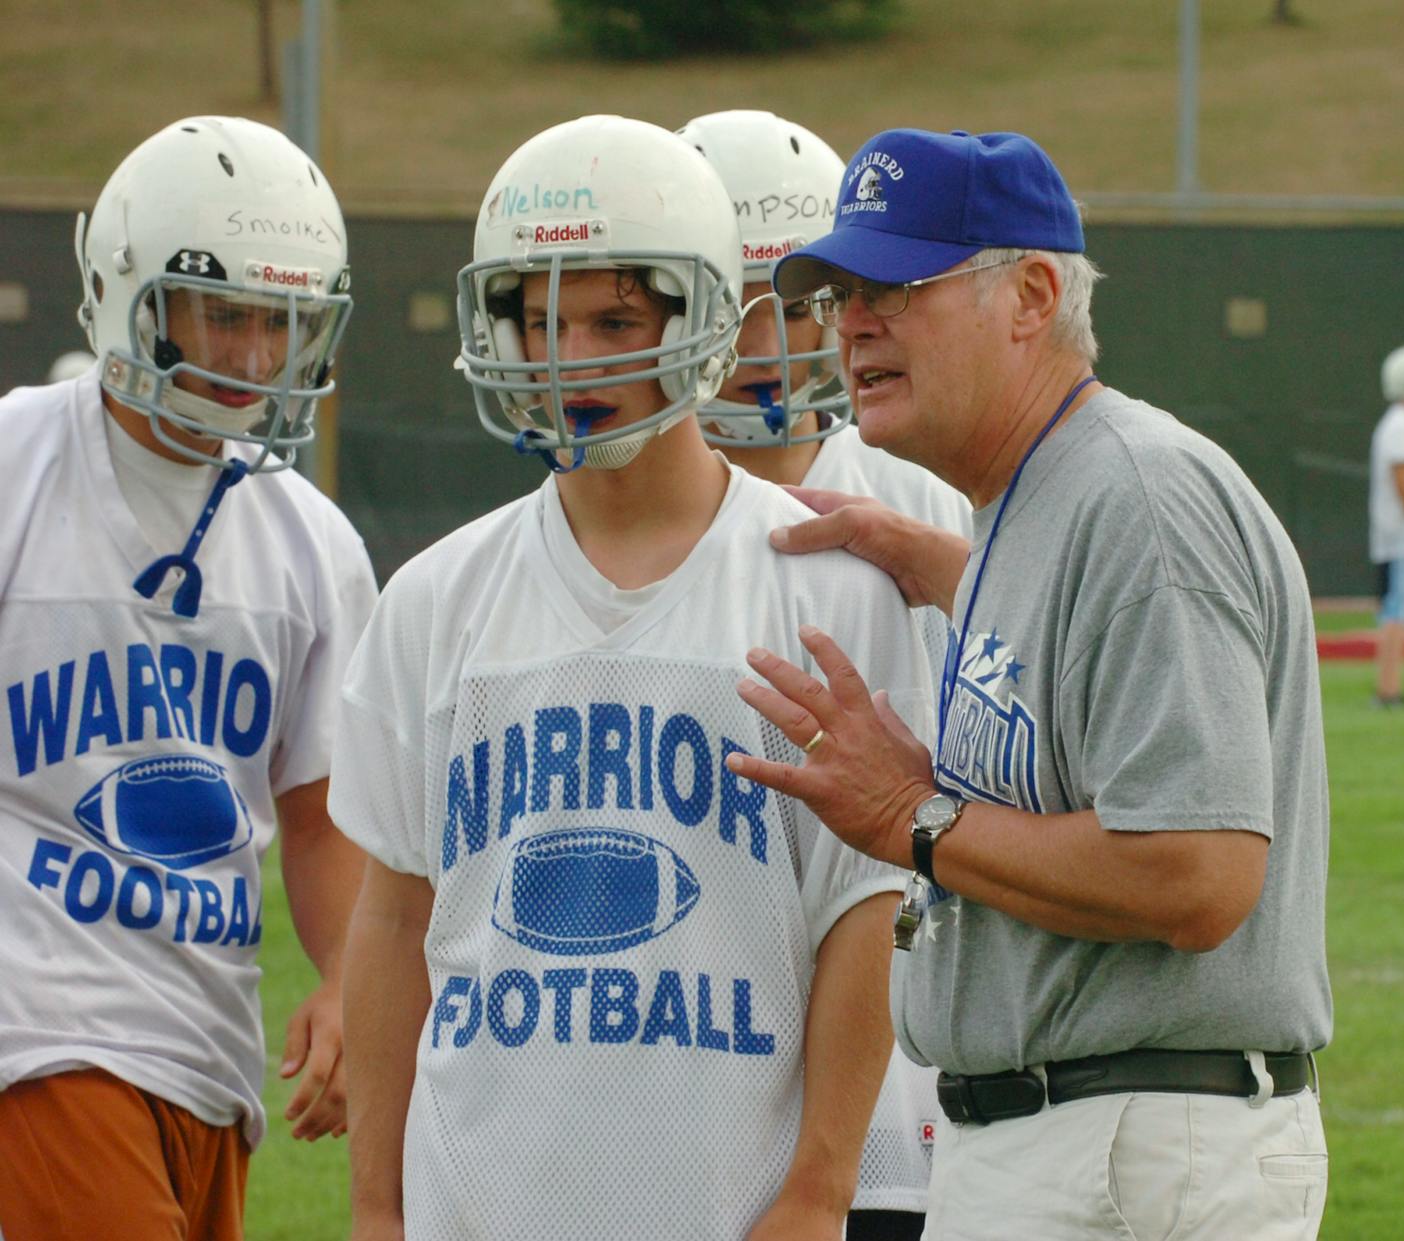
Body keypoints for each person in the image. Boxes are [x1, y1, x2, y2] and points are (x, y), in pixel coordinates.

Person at [328, 113, 934, 1241]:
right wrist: (375, 1206)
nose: (570, 356)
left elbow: (868, 908)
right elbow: (394, 912)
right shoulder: (433, 598)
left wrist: (816, 1186)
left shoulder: (826, 586)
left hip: (729, 1190)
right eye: (539, 319)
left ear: (708, 319)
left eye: (614, 317)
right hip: (480, 1191)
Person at [724, 127, 1332, 1240]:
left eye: (896, 286)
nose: (852, 321)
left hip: (1131, 1142)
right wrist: (950, 571)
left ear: (1031, 294)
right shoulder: (1042, 495)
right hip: (1079, 1132)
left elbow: (1197, 871)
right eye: (841, 293)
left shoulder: (1135, 497)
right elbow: (1079, 673)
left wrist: (910, 815)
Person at [0, 116, 377, 1241]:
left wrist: (349, 977)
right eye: (226, 312)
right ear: (130, 293)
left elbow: (318, 816)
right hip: (37, 1020)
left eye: (281, 320)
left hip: (202, 1035)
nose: (256, 356)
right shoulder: (16, 465)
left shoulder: (311, 543)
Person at [680, 108, 972, 1241]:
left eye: (794, 302)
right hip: (679, 1061)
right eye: (734, 304)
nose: (766, 341)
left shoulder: (927, 489)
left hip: (903, 1098)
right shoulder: (620, 513)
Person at [1369, 344, 1404, 706]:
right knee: (1398, 614)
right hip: (1403, 539)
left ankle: (1389, 689)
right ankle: (1389, 691)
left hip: (1402, 539)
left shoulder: (1400, 423)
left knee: (1399, 611)